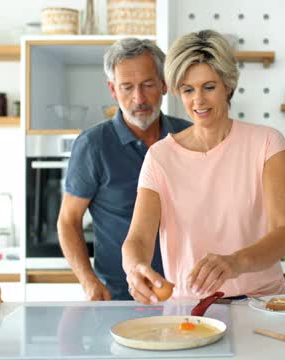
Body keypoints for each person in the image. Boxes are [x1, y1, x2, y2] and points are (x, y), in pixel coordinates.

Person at [122, 30, 285, 304]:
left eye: (209, 87)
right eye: (188, 90)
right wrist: (135, 268)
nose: (198, 101)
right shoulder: (160, 157)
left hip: (262, 303)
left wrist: (235, 262)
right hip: (190, 308)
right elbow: (139, 239)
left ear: (228, 85)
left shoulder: (266, 143)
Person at [57, 38, 193, 301]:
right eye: (127, 87)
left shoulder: (189, 136)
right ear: (112, 89)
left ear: (164, 84)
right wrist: (88, 281)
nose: (138, 98)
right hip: (119, 297)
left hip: (188, 292)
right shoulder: (93, 145)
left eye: (148, 85)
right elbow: (68, 220)